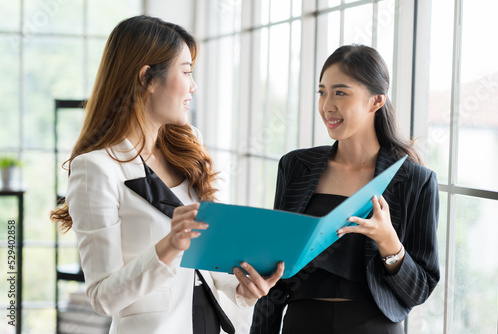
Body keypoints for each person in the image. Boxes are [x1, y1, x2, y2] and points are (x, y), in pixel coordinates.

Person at [50, 15, 284, 334]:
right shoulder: (96, 168)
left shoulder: (188, 146)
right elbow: (103, 297)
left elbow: (207, 266)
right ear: (147, 78)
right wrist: (169, 245)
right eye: (186, 71)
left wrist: (242, 290)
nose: (194, 85)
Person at [250, 44, 440, 334]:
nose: (327, 105)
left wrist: (389, 242)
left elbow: (419, 291)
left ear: (376, 101)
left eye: (340, 92)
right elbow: (273, 268)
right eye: (322, 91)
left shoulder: (414, 180)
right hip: (302, 324)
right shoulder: (296, 166)